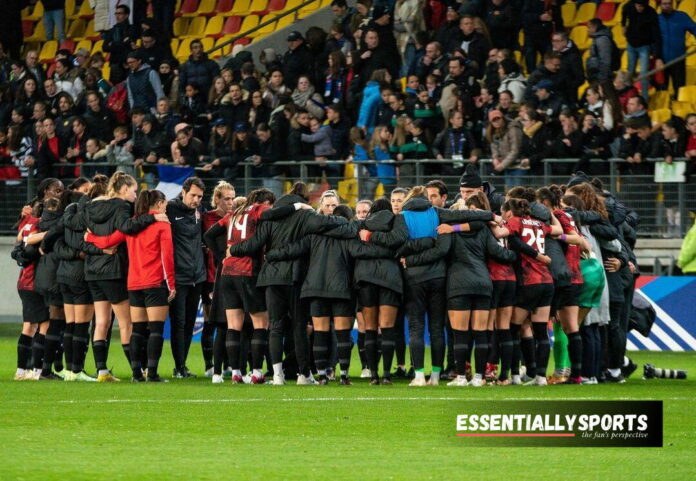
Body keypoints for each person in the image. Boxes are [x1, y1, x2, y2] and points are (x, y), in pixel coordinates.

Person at [228, 182, 350, 385]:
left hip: (270, 278)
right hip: (295, 277)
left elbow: (255, 243)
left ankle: (277, 375)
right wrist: (349, 221)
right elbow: (328, 224)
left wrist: (233, 250)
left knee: (275, 327)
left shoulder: (271, 217)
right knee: (299, 327)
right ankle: (304, 374)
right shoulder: (305, 215)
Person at [81, 172, 164, 381]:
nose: (136, 196)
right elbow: (126, 228)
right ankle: (138, 370)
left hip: (92, 270)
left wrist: (93, 239)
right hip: (113, 270)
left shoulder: (92, 207)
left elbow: (78, 228)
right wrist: (152, 217)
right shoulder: (121, 206)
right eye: (134, 191)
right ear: (124, 189)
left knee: (101, 322)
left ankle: (101, 371)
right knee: (128, 323)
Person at [167, 176, 207, 378]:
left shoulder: (200, 211)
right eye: (193, 195)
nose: (196, 200)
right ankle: (179, 366)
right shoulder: (170, 209)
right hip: (179, 276)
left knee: (190, 322)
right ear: (183, 192)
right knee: (179, 321)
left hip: (197, 276)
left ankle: (182, 365)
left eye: (199, 196)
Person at [657, 0, 696, 92]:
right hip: (661, 61)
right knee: (662, 89)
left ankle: (678, 105)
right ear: (660, 5)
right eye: (664, 4)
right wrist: (656, 57)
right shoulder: (656, 19)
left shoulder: (682, 16)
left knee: (680, 88)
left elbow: (694, 29)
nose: (667, 6)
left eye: (669, 3)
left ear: (672, 4)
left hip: (678, 59)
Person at [102, 4, 138, 84]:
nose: (117, 16)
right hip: (115, 63)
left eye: (120, 13)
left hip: (127, 64)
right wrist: (122, 43)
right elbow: (104, 47)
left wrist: (113, 44)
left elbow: (129, 45)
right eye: (116, 13)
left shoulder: (132, 29)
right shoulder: (112, 30)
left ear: (126, 15)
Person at [587, 19, 616, 84]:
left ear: (594, 27)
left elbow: (605, 60)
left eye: (589, 28)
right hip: (597, 75)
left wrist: (602, 77)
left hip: (601, 77)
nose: (588, 30)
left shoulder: (602, 40)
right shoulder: (598, 38)